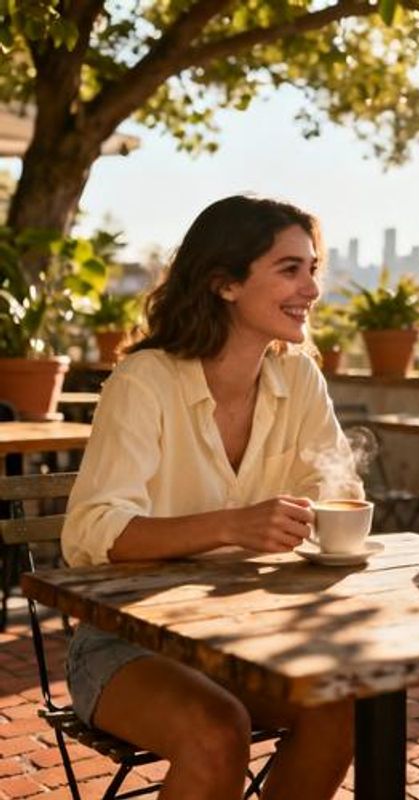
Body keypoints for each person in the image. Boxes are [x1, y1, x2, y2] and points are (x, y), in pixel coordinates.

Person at [62, 195, 359, 800]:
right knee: (217, 731)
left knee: (344, 709)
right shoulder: (144, 381)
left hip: (248, 635)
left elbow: (341, 493)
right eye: (289, 269)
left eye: (313, 268)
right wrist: (231, 525)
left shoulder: (299, 377)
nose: (312, 288)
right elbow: (91, 534)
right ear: (224, 282)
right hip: (126, 640)